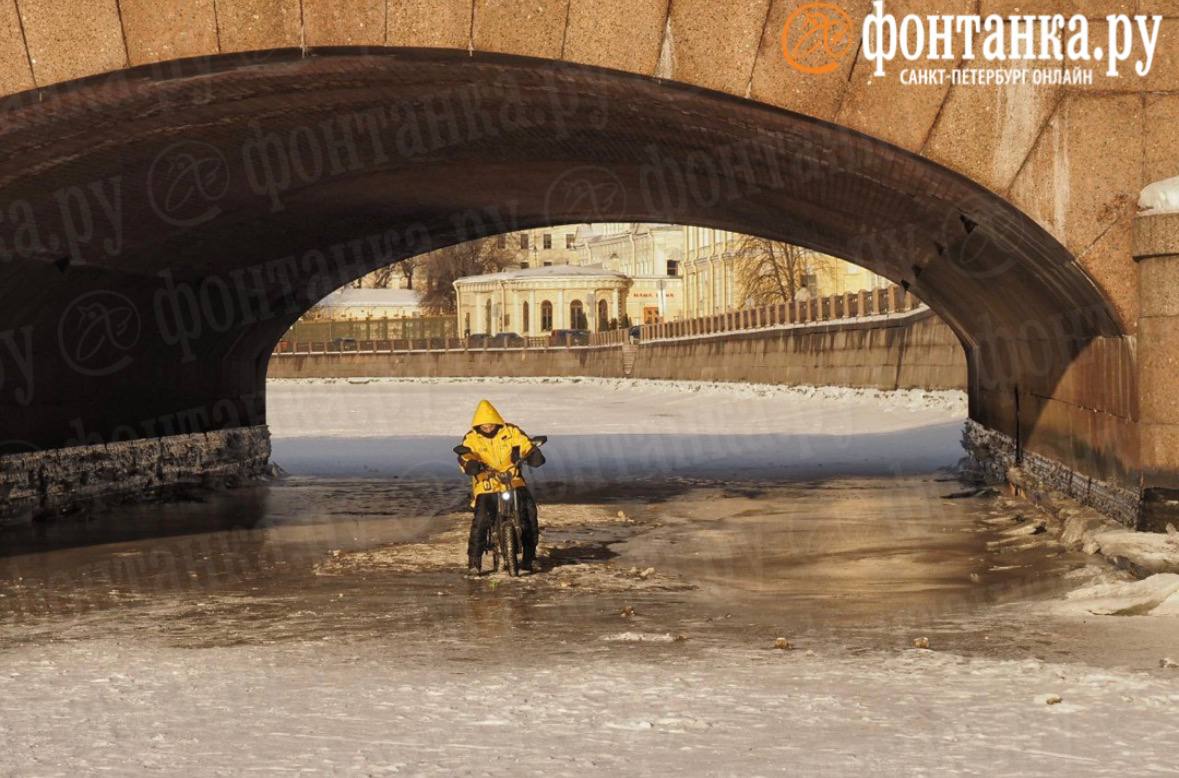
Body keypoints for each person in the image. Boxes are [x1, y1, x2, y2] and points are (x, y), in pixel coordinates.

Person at [456, 400, 545, 575]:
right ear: (478, 425)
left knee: (529, 514)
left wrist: (533, 454)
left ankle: (530, 557)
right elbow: (466, 454)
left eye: (490, 424)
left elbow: (525, 444)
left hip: (513, 480)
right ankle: (474, 561)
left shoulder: (510, 431)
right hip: (487, 484)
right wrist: (471, 464)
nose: (488, 428)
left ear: (496, 421)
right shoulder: (471, 438)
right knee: (481, 520)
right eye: (484, 425)